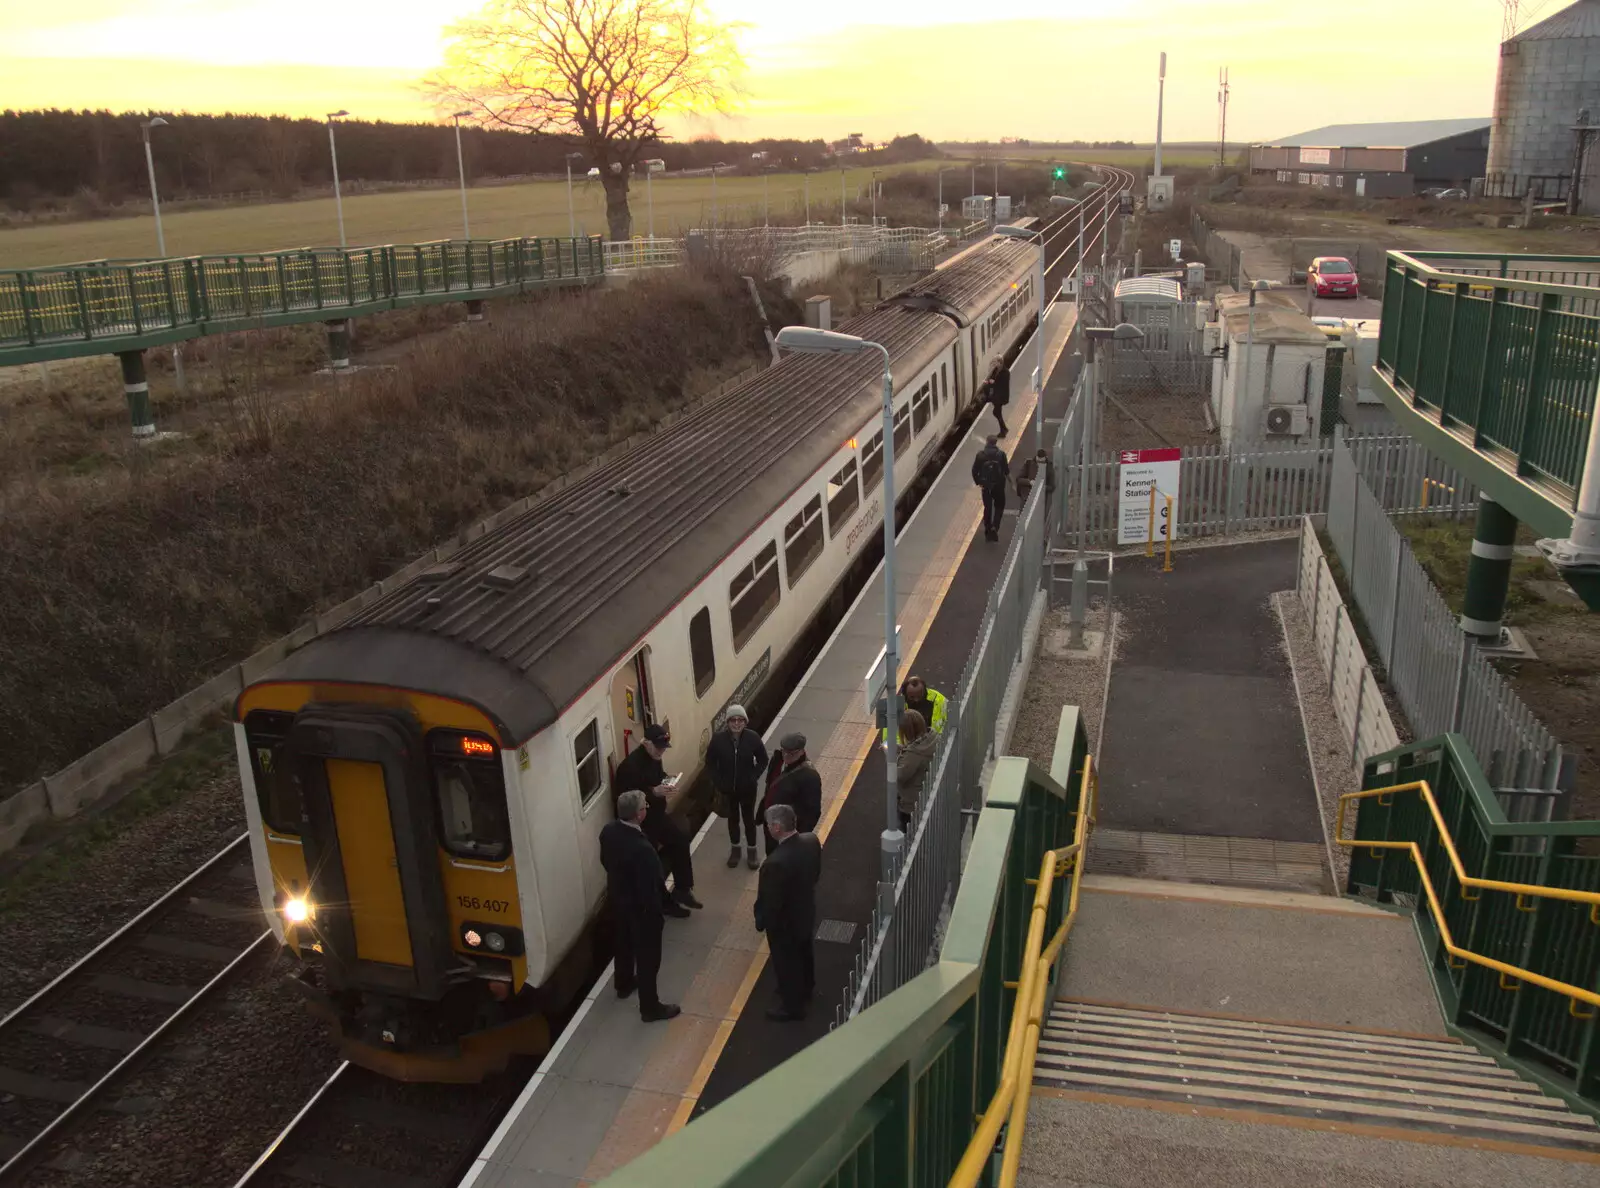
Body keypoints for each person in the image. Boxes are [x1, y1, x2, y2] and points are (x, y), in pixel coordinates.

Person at [600, 789, 682, 1022]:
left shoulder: (609, 831)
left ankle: (623, 983)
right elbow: (651, 886)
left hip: (619, 900)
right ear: (638, 815)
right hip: (642, 910)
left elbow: (606, 862)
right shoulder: (643, 849)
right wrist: (657, 913)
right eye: (645, 805)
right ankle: (650, 1007)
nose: (647, 807)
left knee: (623, 944)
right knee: (648, 959)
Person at [612, 723, 701, 910]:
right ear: (646, 743)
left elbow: (658, 776)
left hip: (656, 815)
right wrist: (655, 793)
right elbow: (628, 800)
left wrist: (667, 782)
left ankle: (683, 889)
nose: (662, 752)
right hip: (641, 824)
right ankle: (663, 903)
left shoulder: (654, 757)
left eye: (663, 748)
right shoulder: (629, 768)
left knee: (680, 839)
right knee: (652, 863)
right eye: (659, 747)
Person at [754, 803, 822, 1022]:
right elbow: (815, 874)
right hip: (805, 911)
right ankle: (807, 987)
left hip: (785, 924)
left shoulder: (774, 863)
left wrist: (763, 922)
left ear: (776, 828)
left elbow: (771, 902)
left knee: (786, 962)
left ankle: (792, 1006)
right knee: (804, 951)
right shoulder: (811, 841)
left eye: (767, 825)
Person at [706, 704, 768, 870]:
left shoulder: (753, 738)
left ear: (745, 722)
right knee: (733, 820)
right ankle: (735, 851)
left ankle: (752, 852)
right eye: (733, 720)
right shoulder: (718, 740)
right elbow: (710, 763)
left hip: (747, 789)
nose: (737, 723)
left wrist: (753, 776)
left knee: (749, 820)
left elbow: (763, 759)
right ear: (727, 722)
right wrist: (718, 781)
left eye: (740, 720)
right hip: (728, 790)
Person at [761, 732, 823, 856]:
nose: (786, 756)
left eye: (792, 753)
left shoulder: (809, 776)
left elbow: (813, 812)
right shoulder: (777, 759)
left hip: (786, 831)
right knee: (771, 852)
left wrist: (796, 837)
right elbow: (770, 785)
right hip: (771, 822)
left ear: (801, 751)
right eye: (784, 751)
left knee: (782, 859)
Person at [895, 710, 938, 831]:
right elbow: (914, 750)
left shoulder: (913, 754)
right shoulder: (931, 739)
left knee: (909, 833)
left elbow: (899, 776)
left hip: (911, 804)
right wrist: (902, 749)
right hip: (926, 796)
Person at [972, 435, 1010, 542]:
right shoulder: (1001, 455)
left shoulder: (980, 455)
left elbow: (974, 471)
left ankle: (987, 529)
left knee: (987, 507)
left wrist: (979, 482)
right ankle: (995, 526)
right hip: (999, 485)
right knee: (999, 506)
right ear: (996, 443)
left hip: (986, 485)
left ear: (987, 442)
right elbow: (1006, 471)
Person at [983, 361, 1010, 437]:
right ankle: (1004, 429)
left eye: (996, 363)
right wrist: (989, 382)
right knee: (997, 413)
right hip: (997, 396)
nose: (995, 364)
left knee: (996, 412)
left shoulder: (1005, 372)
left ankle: (1003, 431)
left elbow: (1002, 384)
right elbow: (994, 380)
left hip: (1001, 396)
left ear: (1000, 362)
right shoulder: (997, 370)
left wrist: (993, 382)